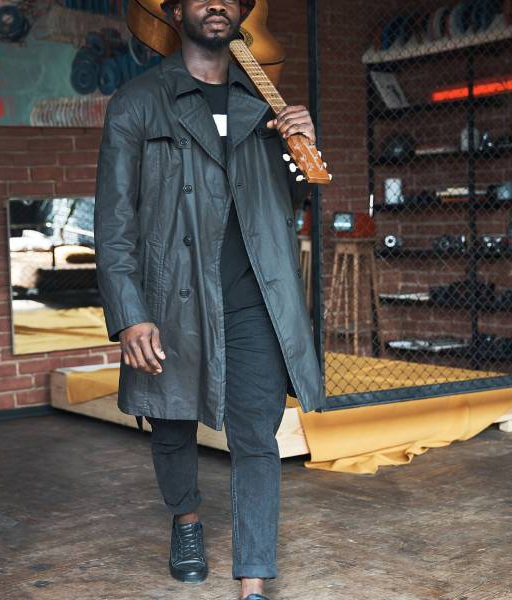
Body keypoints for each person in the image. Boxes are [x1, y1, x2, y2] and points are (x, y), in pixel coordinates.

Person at [94, 1, 326, 598]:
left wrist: (300, 153)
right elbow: (114, 223)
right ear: (175, 11)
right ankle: (187, 520)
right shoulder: (139, 103)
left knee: (257, 434)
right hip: (171, 298)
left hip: (253, 299)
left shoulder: (268, 107)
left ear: (242, 13)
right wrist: (129, 313)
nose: (216, 2)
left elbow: (283, 213)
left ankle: (253, 583)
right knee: (171, 421)